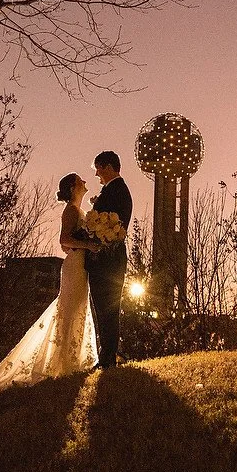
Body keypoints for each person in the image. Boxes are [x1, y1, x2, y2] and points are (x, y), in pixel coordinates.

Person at [0, 171, 100, 396]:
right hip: (74, 266)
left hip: (79, 264)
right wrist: (88, 246)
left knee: (76, 308)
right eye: (80, 181)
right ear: (72, 188)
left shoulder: (80, 211)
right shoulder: (70, 211)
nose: (85, 182)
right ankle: (64, 363)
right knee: (69, 309)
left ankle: (72, 359)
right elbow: (64, 240)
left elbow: (67, 244)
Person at [88, 150, 133, 368]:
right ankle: (106, 355)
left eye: (98, 168)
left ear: (107, 167)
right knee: (105, 309)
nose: (97, 174)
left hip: (108, 259)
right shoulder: (114, 191)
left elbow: (112, 225)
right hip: (108, 259)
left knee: (107, 309)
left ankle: (107, 358)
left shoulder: (117, 191)